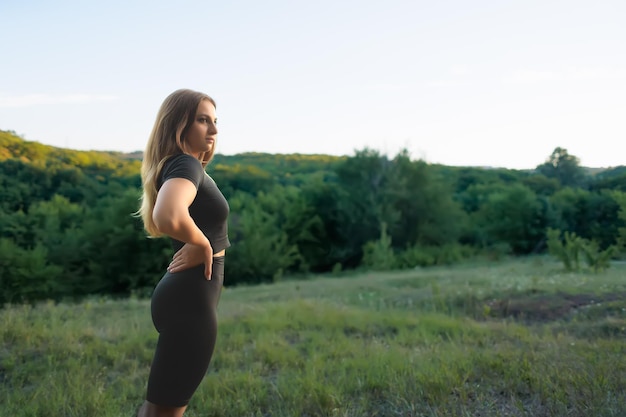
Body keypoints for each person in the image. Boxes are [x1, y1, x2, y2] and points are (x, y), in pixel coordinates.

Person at [136, 88, 230, 417]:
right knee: (166, 410)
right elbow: (169, 215)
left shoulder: (182, 166)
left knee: (160, 405)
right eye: (203, 120)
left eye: (215, 121)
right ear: (179, 125)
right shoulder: (185, 164)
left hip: (186, 295)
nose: (214, 130)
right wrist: (202, 242)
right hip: (190, 299)